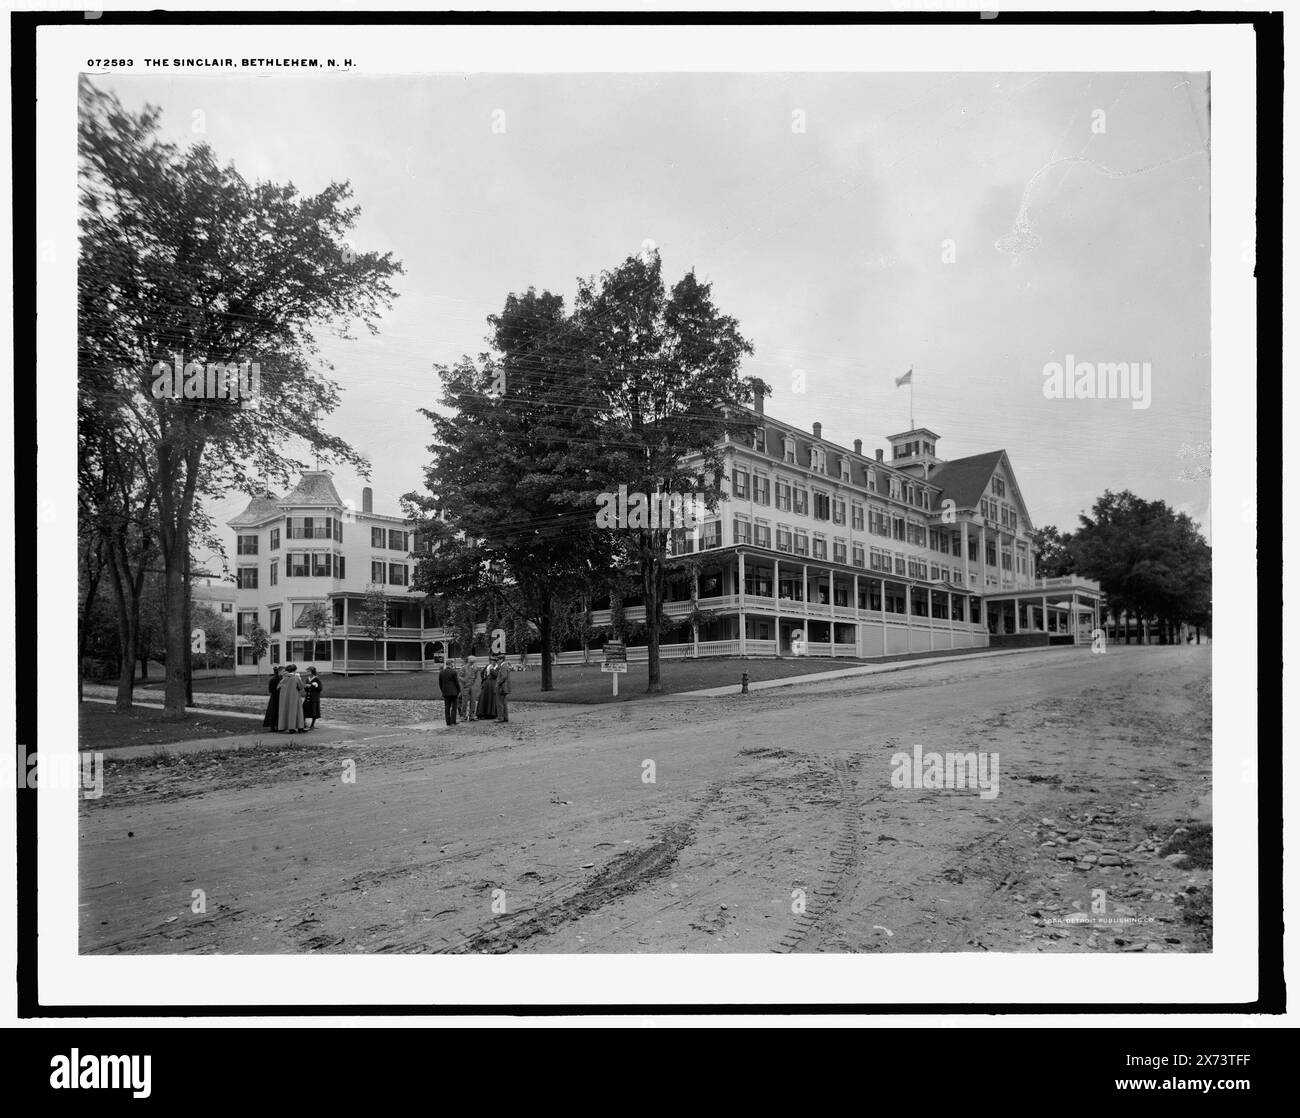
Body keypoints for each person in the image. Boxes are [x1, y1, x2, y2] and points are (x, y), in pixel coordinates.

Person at [277, 663, 306, 733]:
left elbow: (278, 687)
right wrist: (299, 679)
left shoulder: (284, 678)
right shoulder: (295, 678)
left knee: (285, 711)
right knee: (297, 711)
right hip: (294, 696)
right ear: (294, 670)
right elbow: (301, 687)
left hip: (284, 697)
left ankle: (283, 727)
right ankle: (298, 727)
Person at [438, 658, 461, 726]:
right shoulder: (453, 672)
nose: (453, 665)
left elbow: (440, 684)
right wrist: (459, 690)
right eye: (452, 664)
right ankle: (453, 721)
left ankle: (448, 722)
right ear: (451, 664)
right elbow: (456, 683)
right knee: (454, 707)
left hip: (445, 692)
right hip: (454, 692)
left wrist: (443, 691)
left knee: (447, 707)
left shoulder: (441, 672)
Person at [263, 666, 284, 730]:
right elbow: (271, 690)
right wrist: (278, 689)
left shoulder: (283, 679)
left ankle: (278, 725)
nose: (284, 672)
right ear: (279, 671)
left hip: (281, 697)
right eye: (283, 671)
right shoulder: (273, 679)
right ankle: (272, 726)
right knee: (273, 711)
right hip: (275, 698)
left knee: (279, 712)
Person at [462, 656, 479, 721]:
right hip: (465, 686)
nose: (472, 663)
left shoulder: (475, 668)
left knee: (473, 701)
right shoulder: (463, 668)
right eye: (471, 662)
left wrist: (474, 682)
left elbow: (476, 676)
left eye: (473, 662)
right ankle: (463, 716)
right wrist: (465, 681)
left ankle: (472, 716)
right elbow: (460, 677)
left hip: (473, 686)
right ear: (468, 661)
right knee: (464, 702)